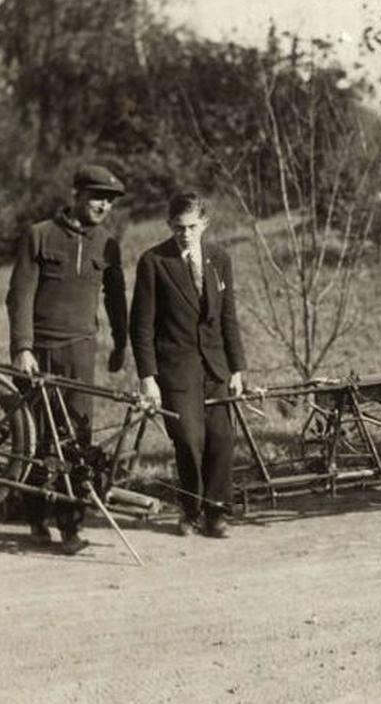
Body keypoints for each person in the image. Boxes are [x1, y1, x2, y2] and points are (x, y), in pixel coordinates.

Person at [6, 163, 129, 554]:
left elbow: (115, 298)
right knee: (35, 435)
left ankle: (71, 527)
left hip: (80, 352)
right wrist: (22, 347)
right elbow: (19, 295)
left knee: (76, 438)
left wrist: (121, 344)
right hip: (39, 351)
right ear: (76, 195)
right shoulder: (39, 235)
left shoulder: (108, 244)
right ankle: (35, 519)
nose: (103, 206)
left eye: (109, 201)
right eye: (97, 197)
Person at [130, 191, 247, 537]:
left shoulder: (219, 258)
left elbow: (228, 317)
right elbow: (141, 326)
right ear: (169, 224)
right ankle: (191, 509)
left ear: (204, 224)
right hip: (176, 368)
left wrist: (237, 368)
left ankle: (216, 513)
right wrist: (148, 377)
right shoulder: (154, 262)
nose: (185, 233)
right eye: (179, 227)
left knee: (221, 439)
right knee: (188, 439)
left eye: (192, 226)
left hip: (216, 365)